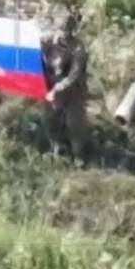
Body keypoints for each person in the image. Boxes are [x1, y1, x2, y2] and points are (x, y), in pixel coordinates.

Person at [43, 11, 90, 159]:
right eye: (61, 29)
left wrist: (56, 89)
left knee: (75, 124)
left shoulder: (78, 49)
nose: (64, 33)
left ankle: (78, 156)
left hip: (73, 89)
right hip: (52, 85)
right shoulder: (49, 41)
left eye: (67, 30)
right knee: (51, 120)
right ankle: (57, 149)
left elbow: (74, 76)